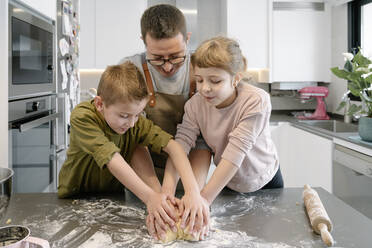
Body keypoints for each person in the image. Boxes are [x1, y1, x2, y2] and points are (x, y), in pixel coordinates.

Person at [57, 62, 208, 241]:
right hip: (74, 197)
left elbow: (174, 147)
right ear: (99, 104)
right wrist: (150, 197)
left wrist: (192, 191)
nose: (132, 123)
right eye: (124, 116)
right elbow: (111, 158)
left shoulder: (135, 123)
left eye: (138, 114)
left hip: (112, 199)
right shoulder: (83, 117)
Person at [119, 4, 212, 240]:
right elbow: (133, 142)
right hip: (144, 180)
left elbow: (202, 141)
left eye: (176, 57)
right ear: (144, 42)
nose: (168, 66)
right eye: (157, 59)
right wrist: (158, 195)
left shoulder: (202, 72)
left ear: (187, 39)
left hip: (191, 173)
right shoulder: (130, 71)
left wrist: (196, 193)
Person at [162, 36, 283, 210]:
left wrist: (202, 200)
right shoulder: (195, 105)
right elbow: (180, 146)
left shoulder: (256, 100)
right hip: (228, 180)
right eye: (199, 80)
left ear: (236, 79)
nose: (205, 88)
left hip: (265, 181)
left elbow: (236, 152)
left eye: (215, 81)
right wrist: (169, 191)